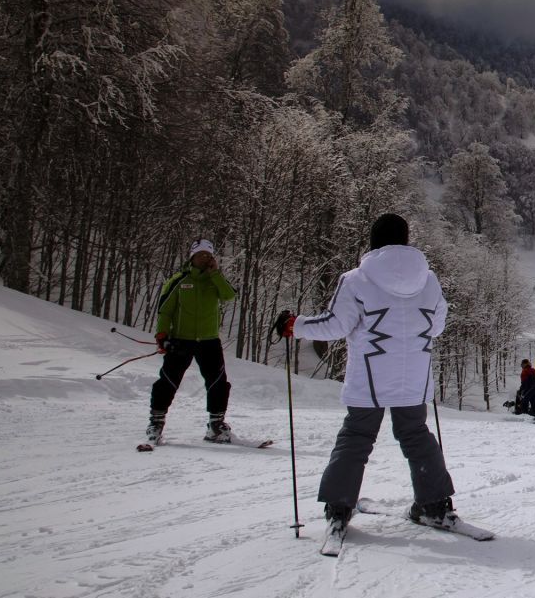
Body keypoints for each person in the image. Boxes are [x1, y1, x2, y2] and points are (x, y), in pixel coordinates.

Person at [272, 213, 460, 538]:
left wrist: (295, 325)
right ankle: (436, 506)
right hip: (413, 378)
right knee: (416, 435)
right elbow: (437, 325)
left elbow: (336, 325)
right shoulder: (429, 280)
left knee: (357, 437)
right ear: (405, 240)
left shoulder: (357, 279)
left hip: (371, 377)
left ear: (374, 241)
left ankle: (339, 507)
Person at [146, 239, 238, 446]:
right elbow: (165, 309)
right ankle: (156, 423)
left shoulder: (215, 280)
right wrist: (162, 335)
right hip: (181, 340)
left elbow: (229, 295)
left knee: (218, 383)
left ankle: (216, 425)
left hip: (209, 341)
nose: (204, 258)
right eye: (201, 255)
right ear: (192, 257)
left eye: (208, 255)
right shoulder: (179, 280)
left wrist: (215, 274)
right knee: (168, 381)